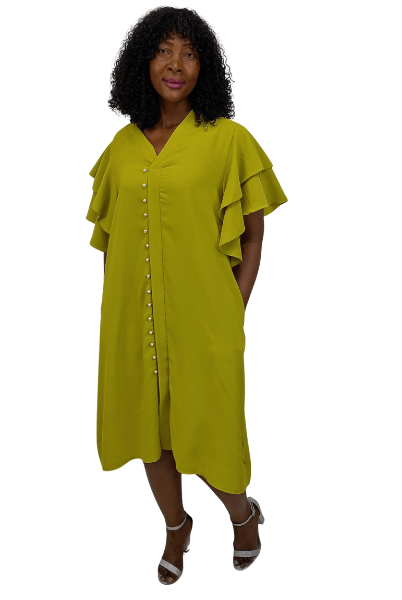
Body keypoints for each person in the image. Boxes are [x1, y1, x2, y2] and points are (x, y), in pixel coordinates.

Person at [86, 6, 288, 585]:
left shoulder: (228, 140)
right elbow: (112, 239)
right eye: (164, 50)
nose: (176, 64)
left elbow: (252, 234)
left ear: (206, 67)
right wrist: (119, 310)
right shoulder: (122, 148)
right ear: (142, 62)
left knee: (210, 433)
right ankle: (176, 526)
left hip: (206, 319)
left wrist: (234, 306)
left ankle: (242, 514)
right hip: (133, 318)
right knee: (148, 433)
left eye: (190, 53)